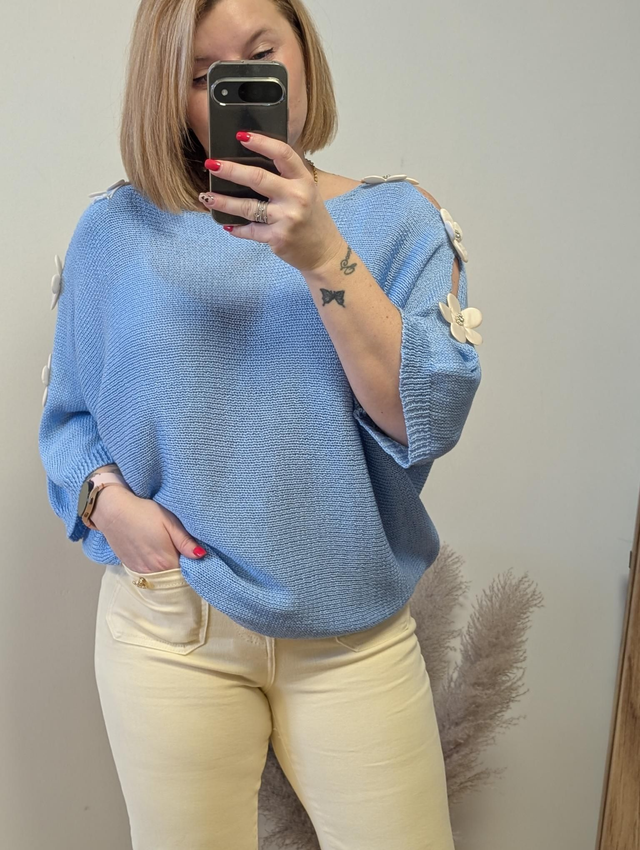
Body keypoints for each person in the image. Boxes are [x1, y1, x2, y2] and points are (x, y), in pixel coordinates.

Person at [38, 0, 483, 847]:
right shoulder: (115, 230)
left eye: (259, 53)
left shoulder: (400, 222)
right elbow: (69, 415)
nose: (237, 86)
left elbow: (422, 417)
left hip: (353, 628)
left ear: (302, 50)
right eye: (203, 76)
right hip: (171, 622)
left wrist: (319, 251)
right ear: (168, 95)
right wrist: (105, 502)